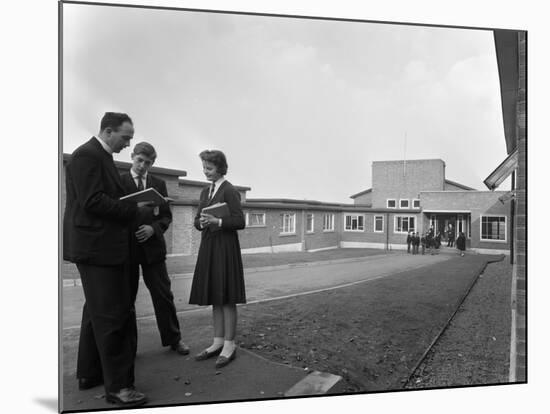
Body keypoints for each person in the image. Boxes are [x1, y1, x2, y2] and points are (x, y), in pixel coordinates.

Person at [63, 112, 151, 407]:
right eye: (126, 137)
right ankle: (119, 389)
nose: (129, 144)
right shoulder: (87, 156)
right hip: (97, 249)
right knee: (113, 316)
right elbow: (93, 201)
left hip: (98, 247)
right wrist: (136, 211)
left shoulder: (100, 157)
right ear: (109, 131)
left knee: (95, 313)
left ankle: (89, 374)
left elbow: (104, 196)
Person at [120, 142, 190, 357]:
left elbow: (166, 216)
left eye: (147, 162)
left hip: (153, 249)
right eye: (139, 160)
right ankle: (127, 348)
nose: (142, 166)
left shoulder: (158, 184)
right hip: (127, 250)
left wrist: (154, 228)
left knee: (163, 295)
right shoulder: (119, 181)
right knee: (125, 299)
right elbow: (113, 213)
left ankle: (174, 339)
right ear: (132, 157)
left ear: (152, 163)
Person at [189, 150, 246, 368]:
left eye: (209, 168)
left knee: (227, 296)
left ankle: (230, 345)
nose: (206, 172)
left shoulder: (230, 190)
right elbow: (197, 220)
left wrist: (218, 222)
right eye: (204, 168)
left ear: (221, 168)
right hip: (209, 246)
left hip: (225, 247)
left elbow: (240, 221)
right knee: (215, 294)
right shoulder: (205, 192)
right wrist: (202, 223)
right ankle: (217, 342)